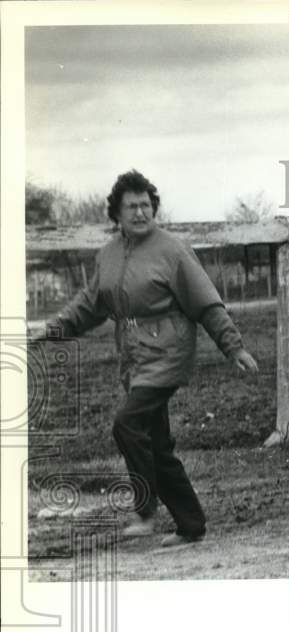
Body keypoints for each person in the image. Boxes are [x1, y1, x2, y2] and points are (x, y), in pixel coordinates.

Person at [36, 169, 258, 548]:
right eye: (132, 206)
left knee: (126, 425)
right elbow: (90, 305)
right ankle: (191, 525)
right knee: (156, 444)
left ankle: (144, 511)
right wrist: (52, 331)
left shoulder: (172, 250)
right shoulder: (107, 255)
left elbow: (205, 302)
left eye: (146, 205)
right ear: (117, 214)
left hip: (168, 351)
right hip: (133, 356)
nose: (140, 212)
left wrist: (233, 346)